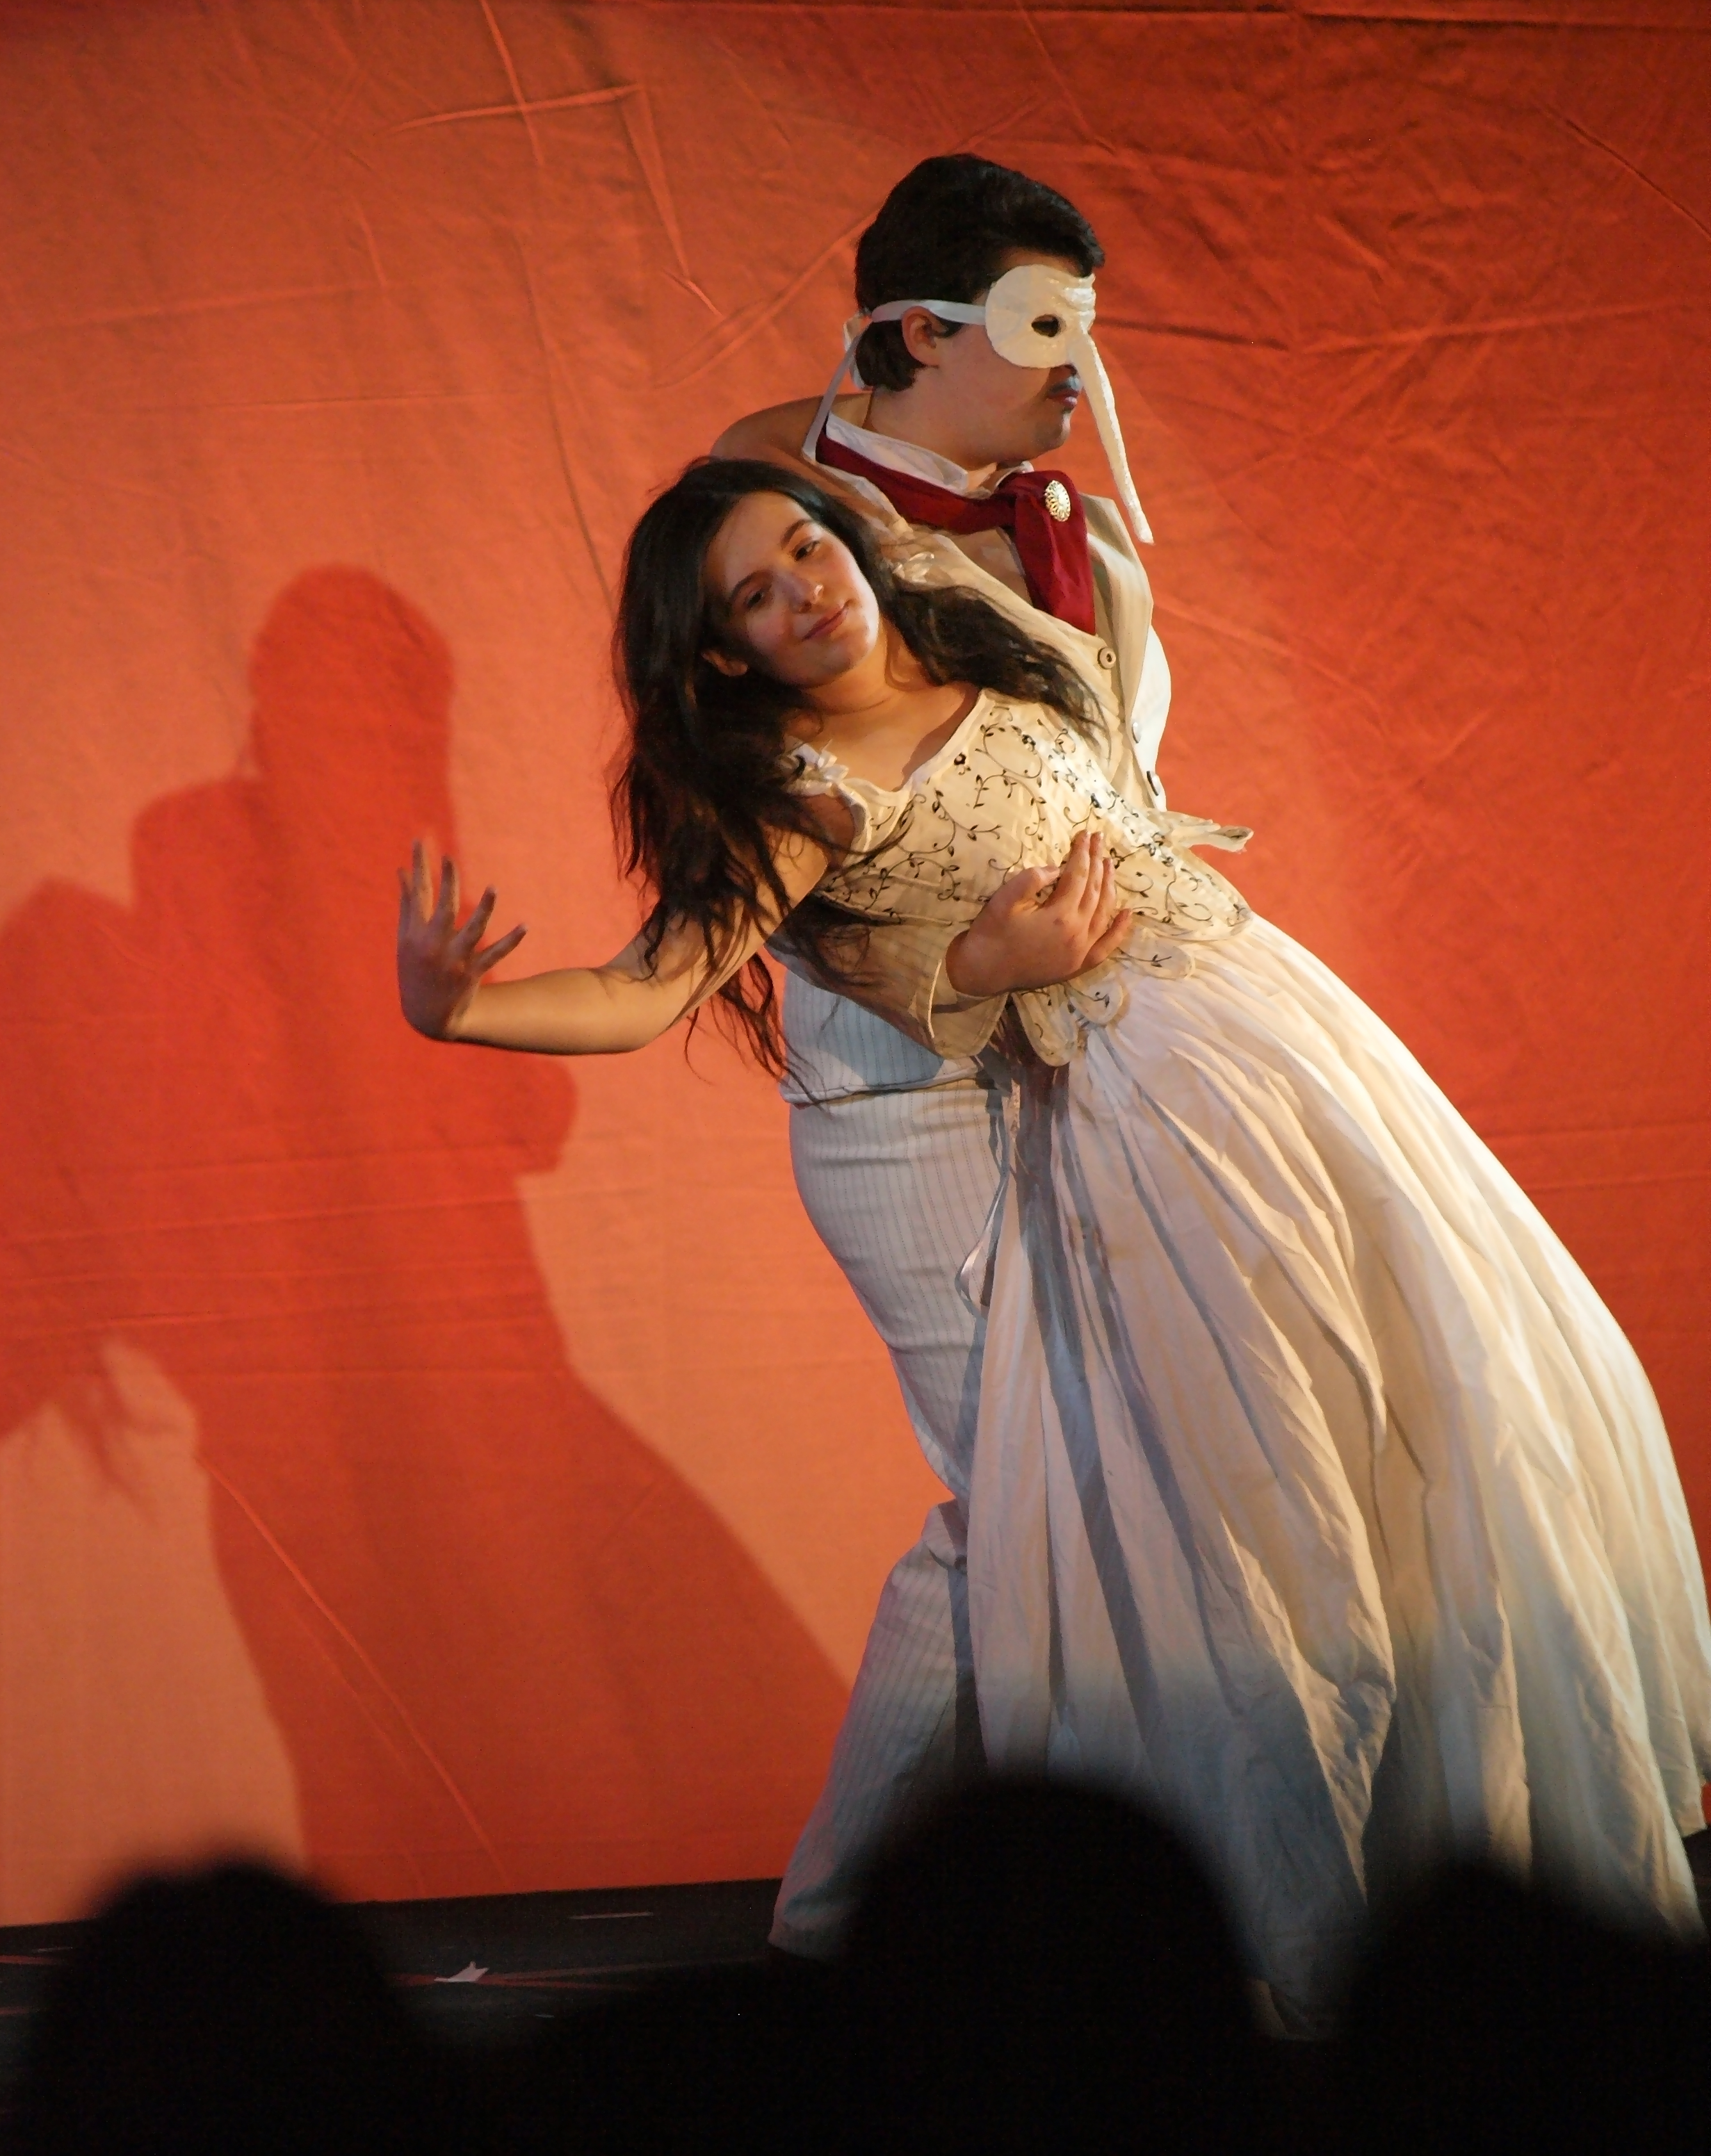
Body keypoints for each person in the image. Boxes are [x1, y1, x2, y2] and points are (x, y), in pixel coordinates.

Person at [397, 456, 1711, 2022]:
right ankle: (1284, 1913)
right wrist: (464, 1010)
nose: (806, 589)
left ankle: (1484, 1857)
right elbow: (647, 987)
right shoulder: (808, 792)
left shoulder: (980, 639)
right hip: (1147, 1105)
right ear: (724, 654)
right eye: (755, 594)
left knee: (1445, 1381)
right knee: (1258, 1477)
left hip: (1283, 1033)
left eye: (807, 547)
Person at [713, 156, 1181, 1957]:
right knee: (1019, 1495)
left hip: (1090, 1048)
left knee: (1122, 1475)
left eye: (1086, 325)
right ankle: (834, 1931)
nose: (1078, 369)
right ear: (914, 332)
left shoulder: (1087, 545)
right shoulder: (800, 534)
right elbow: (756, 830)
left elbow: (1123, 785)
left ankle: (1021, 1922)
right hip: (906, 1082)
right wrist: (956, 970)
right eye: (1040, 325)